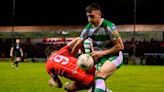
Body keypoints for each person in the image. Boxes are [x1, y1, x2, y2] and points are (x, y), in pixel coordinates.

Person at [71, 3, 124, 92]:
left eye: (92, 16)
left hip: (114, 56)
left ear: (99, 14)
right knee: (93, 82)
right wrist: (74, 58)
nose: (89, 19)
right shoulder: (87, 28)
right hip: (100, 57)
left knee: (99, 76)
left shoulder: (109, 27)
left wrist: (101, 53)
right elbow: (78, 44)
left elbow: (120, 46)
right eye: (88, 17)